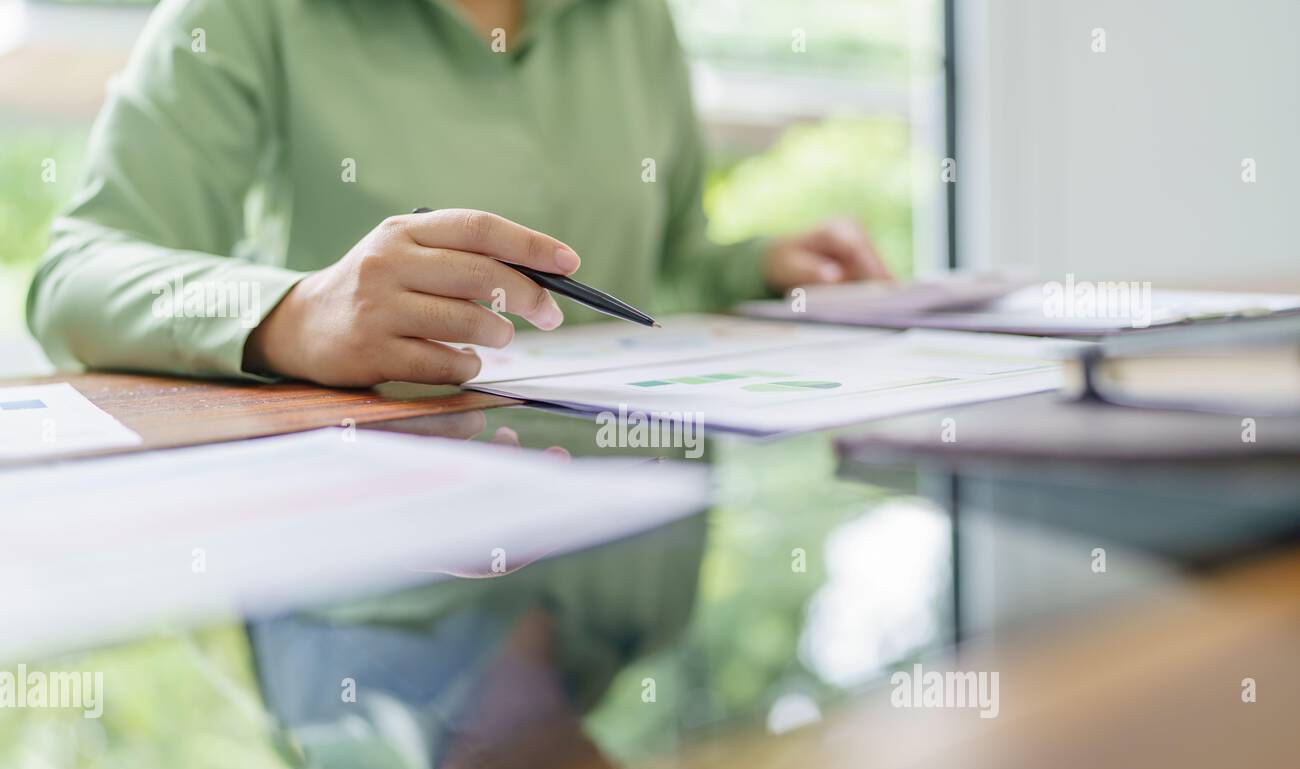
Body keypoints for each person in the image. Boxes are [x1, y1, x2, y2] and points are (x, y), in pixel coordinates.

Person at [27, 0, 892, 387]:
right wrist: (296, 312)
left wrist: (763, 270)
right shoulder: (251, 13)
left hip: (621, 528)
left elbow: (660, 269)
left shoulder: (634, 16)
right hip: (361, 562)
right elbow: (76, 277)